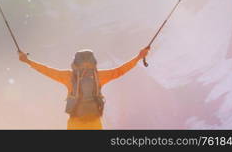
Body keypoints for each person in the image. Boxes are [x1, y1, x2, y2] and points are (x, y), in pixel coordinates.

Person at [18, 46, 150, 129]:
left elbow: (47, 71)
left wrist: (28, 61)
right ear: (93, 62)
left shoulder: (68, 77)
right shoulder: (99, 76)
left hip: (75, 123)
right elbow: (120, 71)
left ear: (76, 62)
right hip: (95, 123)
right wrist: (139, 57)